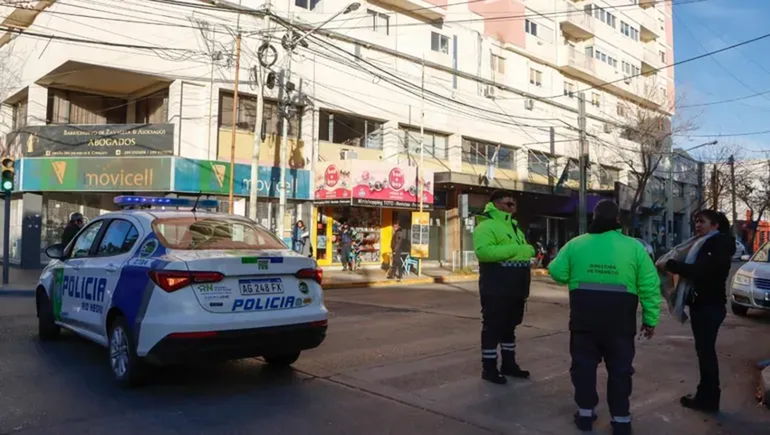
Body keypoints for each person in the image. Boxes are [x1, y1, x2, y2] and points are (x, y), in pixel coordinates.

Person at [548, 200, 660, 435]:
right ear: (617, 220)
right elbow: (650, 286)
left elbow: (557, 272)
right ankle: (621, 420)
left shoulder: (576, 244)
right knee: (620, 371)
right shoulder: (634, 247)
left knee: (583, 369)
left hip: (584, 321)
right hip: (620, 323)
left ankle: (585, 415)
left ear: (594, 217)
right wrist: (650, 320)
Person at [664, 209, 735, 414]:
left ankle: (708, 399)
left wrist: (674, 266)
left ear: (715, 225)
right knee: (704, 352)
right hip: (704, 305)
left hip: (709, 306)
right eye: (696, 221)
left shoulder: (716, 244)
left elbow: (700, 271)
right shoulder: (705, 243)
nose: (697, 225)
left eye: (702, 221)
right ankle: (705, 396)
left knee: (706, 354)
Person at [473, 190, 535, 385]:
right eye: (509, 204)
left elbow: (525, 251)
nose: (513, 207)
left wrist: (527, 250)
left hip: (517, 287)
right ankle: (489, 368)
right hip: (496, 286)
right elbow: (484, 252)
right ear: (496, 204)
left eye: (514, 204)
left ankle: (509, 364)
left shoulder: (514, 227)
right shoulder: (486, 226)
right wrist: (518, 249)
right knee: (493, 327)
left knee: (509, 327)